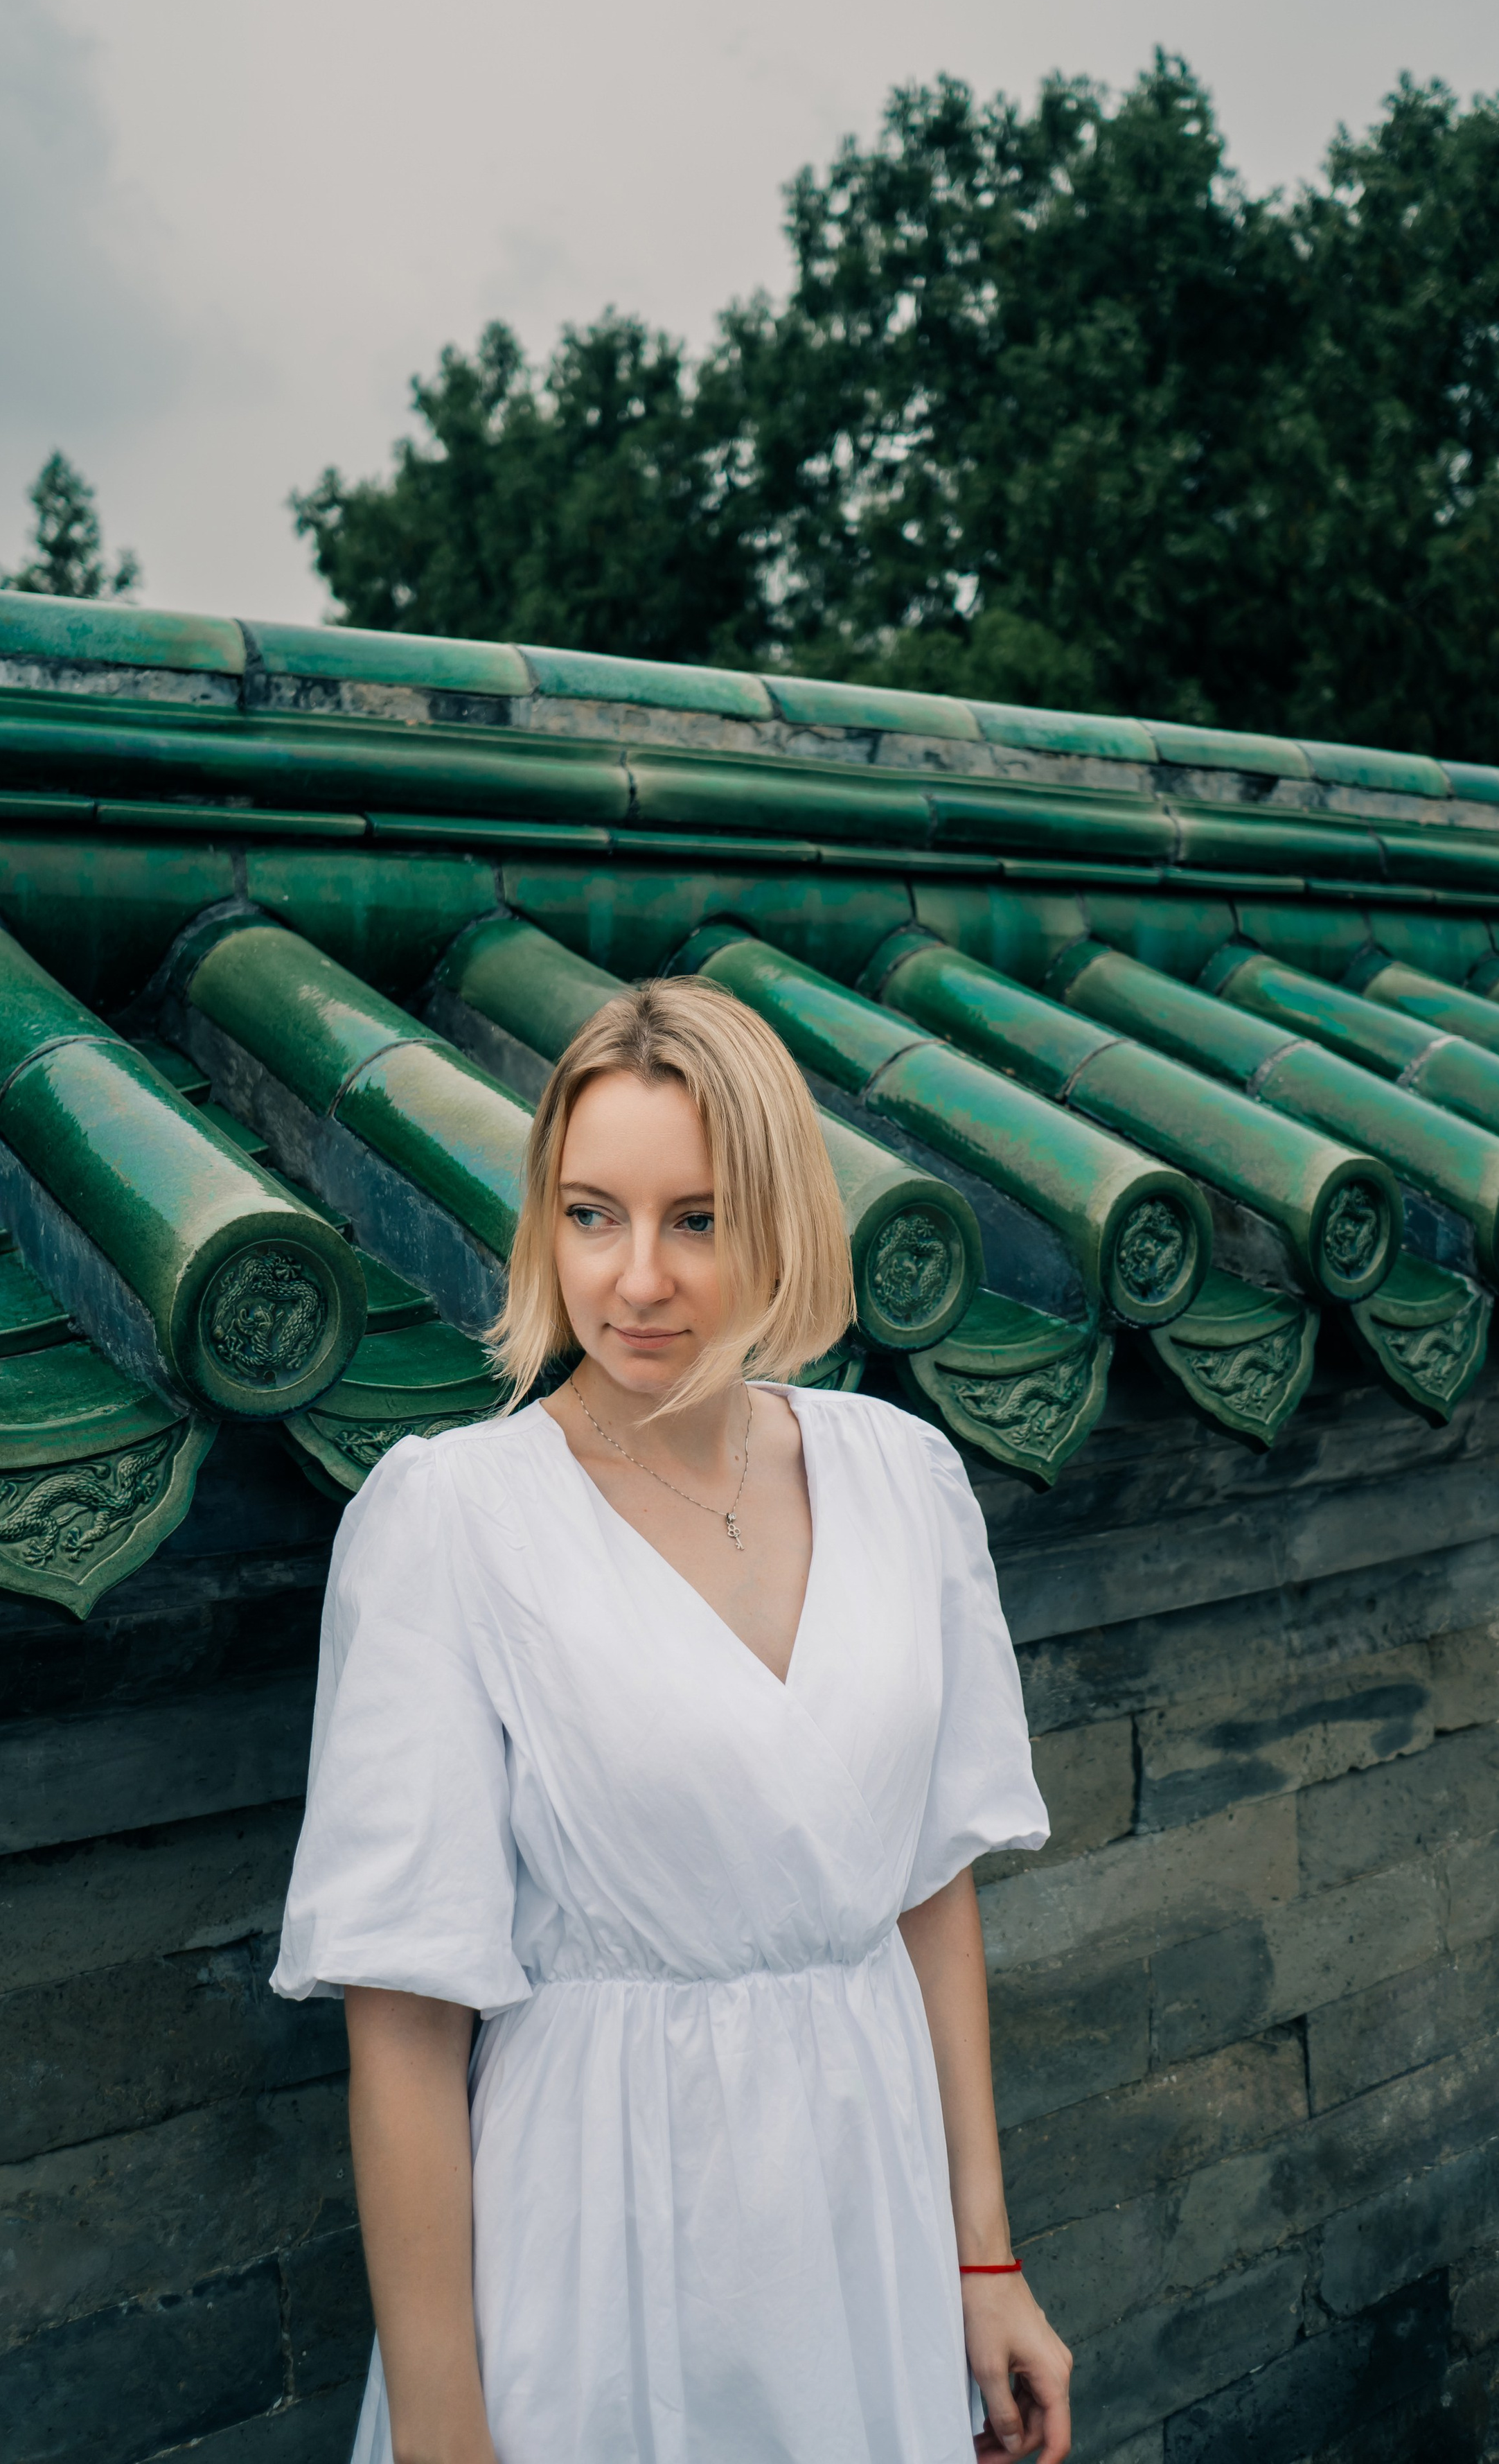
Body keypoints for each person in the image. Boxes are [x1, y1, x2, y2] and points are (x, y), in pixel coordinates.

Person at [272, 976, 1074, 2464]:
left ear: (777, 1218)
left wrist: (983, 2260)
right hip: (598, 2246)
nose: (633, 1279)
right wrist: (448, 2437)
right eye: (591, 1215)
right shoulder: (452, 1522)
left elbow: (927, 1887)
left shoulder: (902, 1480)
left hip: (864, 2222)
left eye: (693, 1220)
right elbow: (401, 2021)